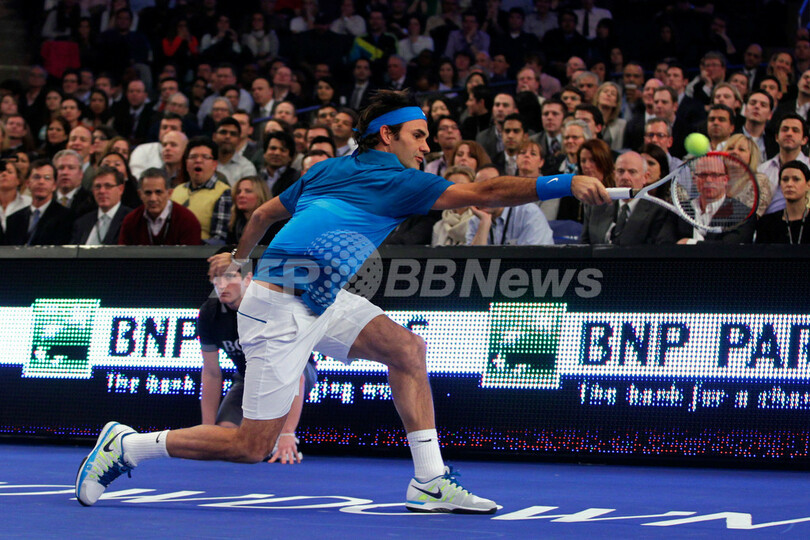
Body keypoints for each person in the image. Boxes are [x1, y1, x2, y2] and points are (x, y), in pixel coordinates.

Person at [75, 89, 609, 512]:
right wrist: (564, 181)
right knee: (250, 447)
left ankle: (429, 481)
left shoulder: (326, 169)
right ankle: (128, 446)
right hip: (279, 310)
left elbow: (261, 215)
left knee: (407, 350)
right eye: (418, 136)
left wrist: (238, 260)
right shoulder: (400, 181)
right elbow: (486, 193)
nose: (426, 147)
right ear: (387, 135)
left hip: (318, 295)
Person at [199, 252, 314, 463]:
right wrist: (207, 430)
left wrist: (287, 433)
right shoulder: (209, 313)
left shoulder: (272, 307)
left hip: (295, 372)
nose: (221, 285)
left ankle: (280, 435)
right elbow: (212, 373)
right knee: (225, 437)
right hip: (248, 377)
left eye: (229, 276)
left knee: (283, 375)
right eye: (216, 278)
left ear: (248, 279)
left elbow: (294, 374)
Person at [662, 154, 757, 244]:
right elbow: (664, 244)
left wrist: (690, 243)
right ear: (694, 179)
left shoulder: (743, 214)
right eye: (703, 175)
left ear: (725, 180)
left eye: (715, 175)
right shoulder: (678, 210)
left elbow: (730, 248)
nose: (708, 180)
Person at [580, 151, 671, 245]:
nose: (625, 177)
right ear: (614, 175)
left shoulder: (659, 212)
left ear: (645, 177)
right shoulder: (596, 205)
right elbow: (584, 246)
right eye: (620, 171)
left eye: (632, 172)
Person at [466, 163, 554, 246]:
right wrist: (484, 223)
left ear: (504, 190)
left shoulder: (528, 213)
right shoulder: (476, 220)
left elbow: (531, 255)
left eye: (490, 189)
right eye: (479, 189)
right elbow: (473, 257)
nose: (484, 195)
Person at [171, 137, 232, 244]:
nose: (198, 160)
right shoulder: (177, 190)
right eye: (193, 157)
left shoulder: (223, 192)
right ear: (186, 163)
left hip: (202, 251)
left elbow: (219, 239)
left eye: (205, 157)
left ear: (214, 164)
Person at [119, 168, 202, 245]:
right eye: (148, 193)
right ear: (140, 194)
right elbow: (122, 253)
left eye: (158, 192)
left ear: (169, 193)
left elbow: (190, 254)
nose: (153, 198)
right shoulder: (131, 221)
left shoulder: (187, 220)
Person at [5, 159, 74, 246]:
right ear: (27, 183)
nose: (41, 182)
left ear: (54, 185)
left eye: (47, 178)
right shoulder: (13, 219)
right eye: (36, 177)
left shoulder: (66, 217)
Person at [757, 113, 809, 214]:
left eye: (795, 130)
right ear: (776, 137)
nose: (789, 133)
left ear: (804, 140)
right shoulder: (762, 170)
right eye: (785, 129)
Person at [70, 166, 132, 245]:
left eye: (108, 186)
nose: (102, 191)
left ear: (120, 189)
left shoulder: (132, 220)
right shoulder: (82, 223)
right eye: (98, 186)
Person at [756, 160, 810, 243]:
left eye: (796, 179)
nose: (789, 184)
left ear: (808, 185)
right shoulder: (767, 223)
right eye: (785, 179)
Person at [724, 133, 772, 217]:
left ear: (751, 156)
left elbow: (751, 217)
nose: (734, 152)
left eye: (741, 149)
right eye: (730, 148)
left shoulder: (759, 181)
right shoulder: (713, 179)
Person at [431, 166, 476, 246]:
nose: (457, 191)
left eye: (462, 186)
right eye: (452, 187)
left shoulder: (480, 222)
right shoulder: (438, 226)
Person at [227, 176, 274, 246]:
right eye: (238, 192)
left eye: (248, 191)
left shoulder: (275, 225)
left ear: (261, 195)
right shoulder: (234, 224)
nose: (241, 195)